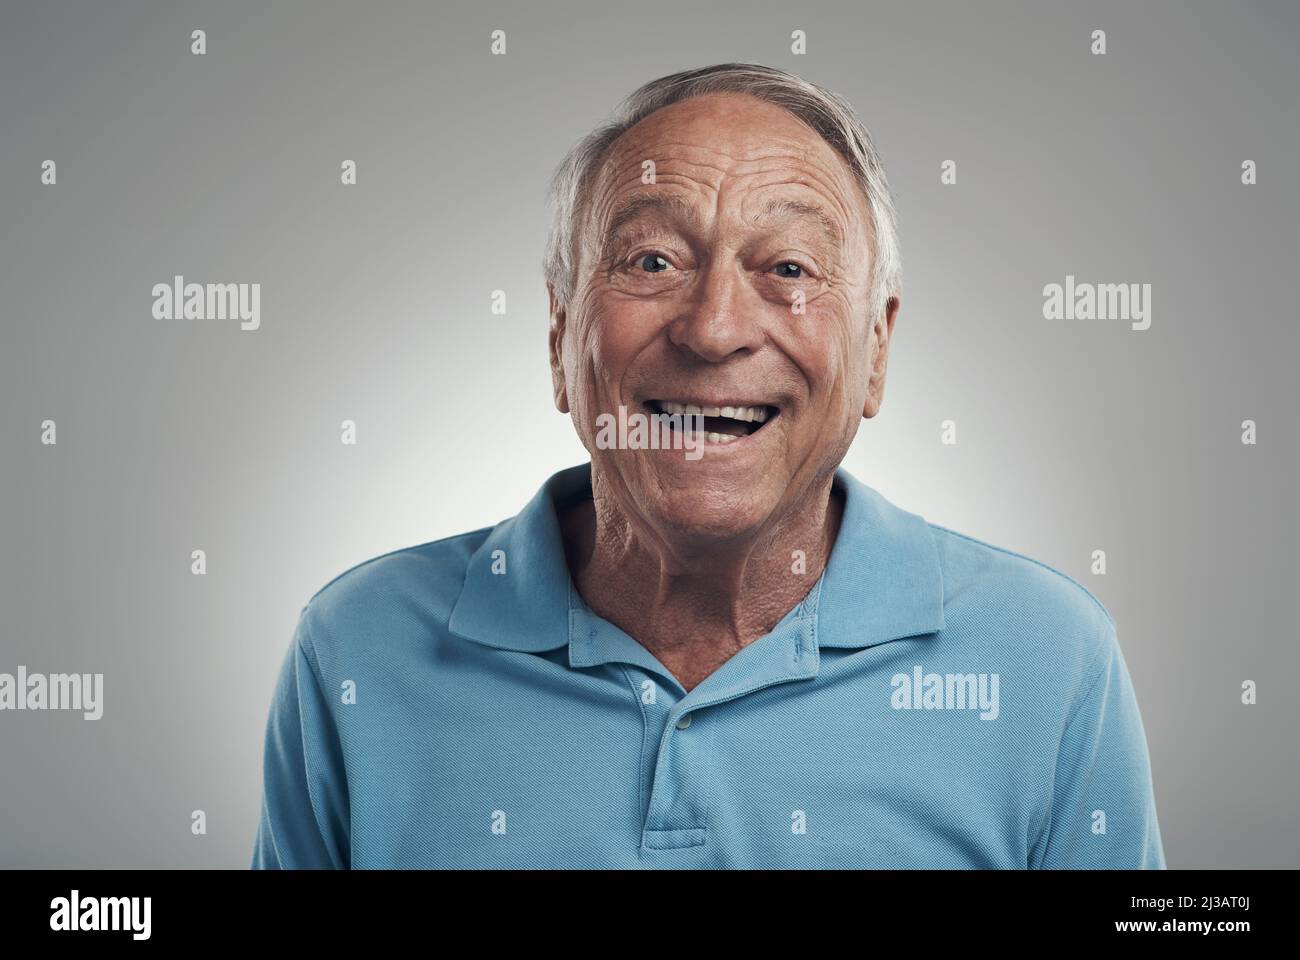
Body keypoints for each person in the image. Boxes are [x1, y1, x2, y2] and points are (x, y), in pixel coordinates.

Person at [252, 62, 1165, 869]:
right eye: (652, 259)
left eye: (792, 269)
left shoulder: (1048, 657)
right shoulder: (357, 646)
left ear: (876, 351)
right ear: (562, 332)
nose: (715, 328)